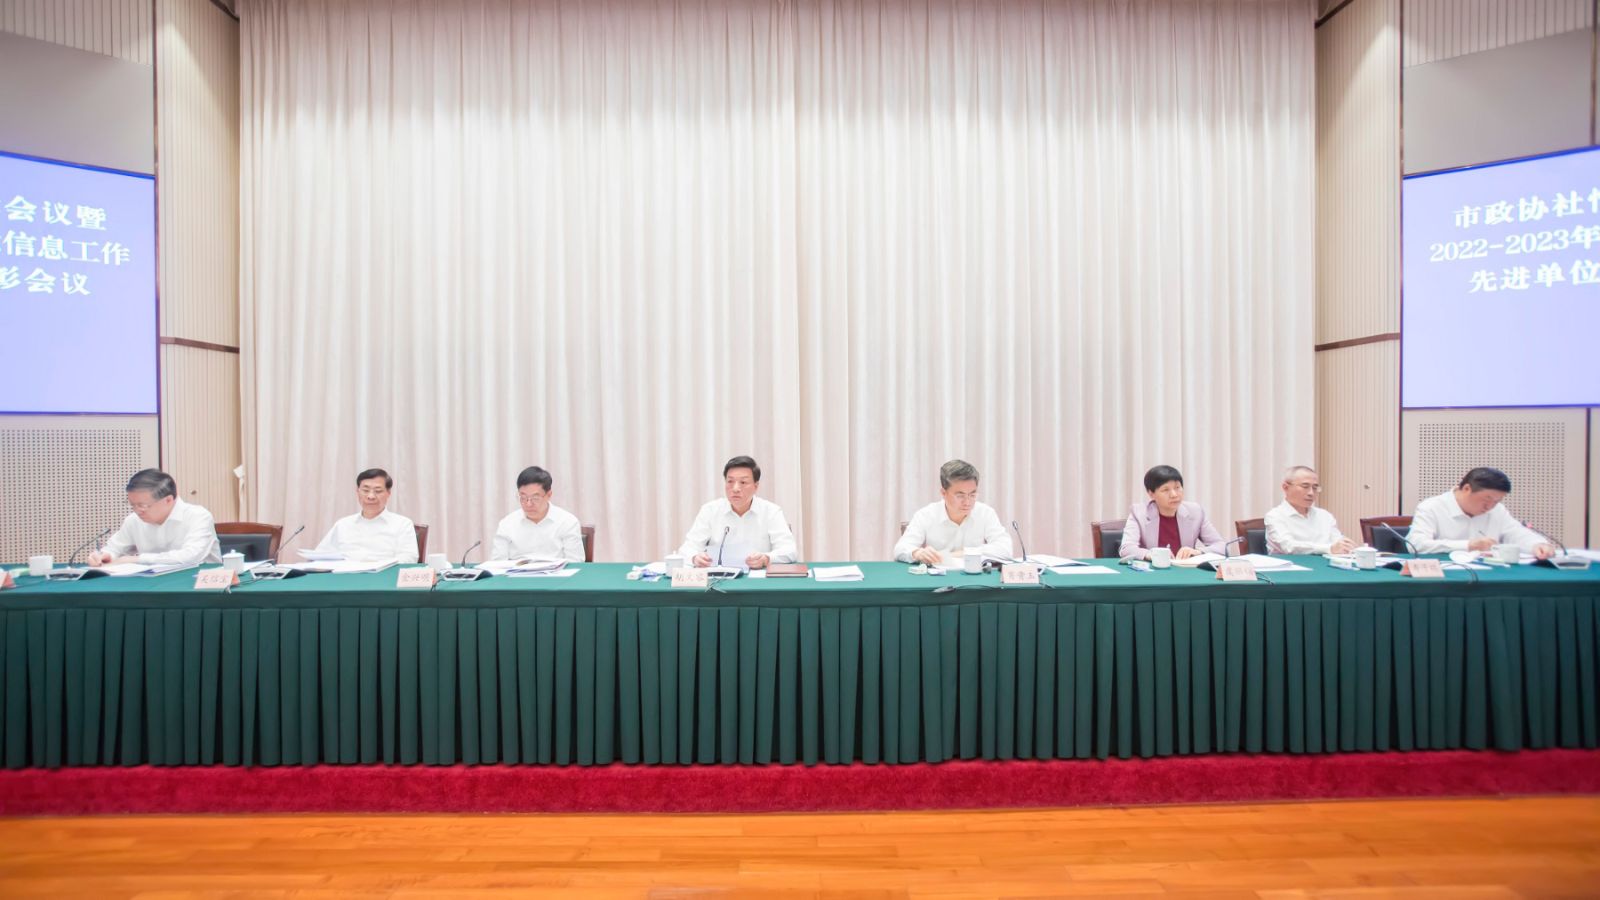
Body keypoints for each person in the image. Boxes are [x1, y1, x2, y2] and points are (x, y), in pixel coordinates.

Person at [676, 456, 797, 569]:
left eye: (743, 482)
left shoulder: (771, 511)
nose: (735, 488)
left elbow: (789, 550)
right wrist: (695, 557)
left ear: (756, 486)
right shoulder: (710, 511)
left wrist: (766, 558)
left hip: (758, 578)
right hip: (719, 578)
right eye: (730, 481)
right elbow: (687, 549)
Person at [1408, 467, 1556, 559]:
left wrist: (1537, 545)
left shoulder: (1497, 510)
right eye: (1487, 499)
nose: (1490, 506)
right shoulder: (1432, 507)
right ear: (1466, 489)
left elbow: (1516, 533)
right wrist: (1468, 545)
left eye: (1497, 501)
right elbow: (1416, 545)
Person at [89, 468, 222, 567]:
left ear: (168, 500)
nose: (137, 511)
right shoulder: (133, 520)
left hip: (197, 585)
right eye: (132, 505)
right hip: (150, 584)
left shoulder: (198, 516)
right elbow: (114, 548)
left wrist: (137, 559)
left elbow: (191, 557)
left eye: (143, 505)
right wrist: (105, 556)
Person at [893, 459, 1013, 564]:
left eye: (972, 495)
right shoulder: (926, 515)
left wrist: (964, 553)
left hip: (974, 578)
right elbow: (900, 549)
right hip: (936, 579)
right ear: (943, 493)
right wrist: (917, 553)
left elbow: (1005, 549)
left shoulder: (986, 513)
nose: (967, 502)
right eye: (960, 496)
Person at [1119, 464, 1226, 560]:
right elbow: (1126, 548)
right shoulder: (1139, 513)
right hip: (1152, 571)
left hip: (1185, 572)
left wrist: (1198, 552)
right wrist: (1150, 554)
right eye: (1166, 490)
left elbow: (1221, 546)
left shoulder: (1195, 512)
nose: (1174, 494)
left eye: (1177, 487)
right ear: (1151, 494)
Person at [314, 468, 420, 563]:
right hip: (345, 576)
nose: (371, 496)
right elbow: (320, 555)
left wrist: (377, 565)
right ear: (357, 491)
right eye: (365, 490)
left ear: (388, 493)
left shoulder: (402, 524)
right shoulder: (343, 524)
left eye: (378, 491)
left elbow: (409, 558)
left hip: (384, 576)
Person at [490, 466, 585, 561]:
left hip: (555, 570)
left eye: (535, 498)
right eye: (523, 498)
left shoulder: (567, 522)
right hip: (517, 570)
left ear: (549, 495)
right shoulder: (507, 524)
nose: (528, 504)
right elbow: (497, 562)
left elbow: (575, 562)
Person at [1264, 465, 1355, 555]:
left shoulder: (1324, 515)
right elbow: (1288, 546)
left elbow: (1337, 541)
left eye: (1315, 488)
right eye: (1305, 486)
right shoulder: (1275, 516)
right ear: (1286, 487)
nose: (1311, 493)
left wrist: (1346, 547)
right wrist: (1329, 548)